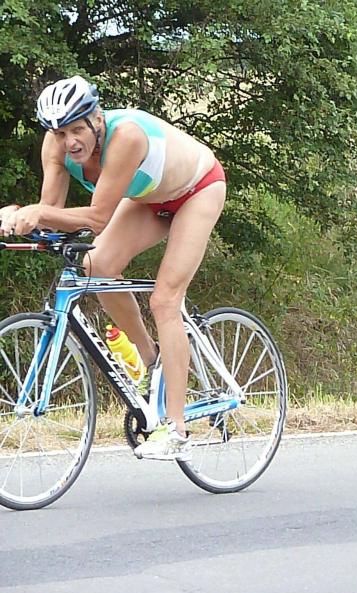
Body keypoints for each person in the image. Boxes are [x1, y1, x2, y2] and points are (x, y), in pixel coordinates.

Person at [0, 75, 226, 460]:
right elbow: (51, 214)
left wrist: (37, 213)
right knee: (96, 266)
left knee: (164, 300)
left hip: (197, 191)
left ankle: (176, 430)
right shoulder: (56, 146)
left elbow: (98, 217)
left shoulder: (126, 137)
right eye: (60, 133)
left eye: (77, 130)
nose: (70, 141)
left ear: (97, 119)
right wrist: (17, 216)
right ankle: (152, 360)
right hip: (149, 199)